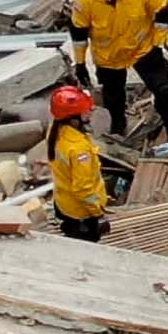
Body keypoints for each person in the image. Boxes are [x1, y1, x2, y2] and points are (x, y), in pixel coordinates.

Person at [69, 0, 168, 143]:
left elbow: (163, 11)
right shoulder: (86, 1)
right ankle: (118, 126)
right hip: (109, 57)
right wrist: (79, 64)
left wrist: (158, 45)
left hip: (143, 49)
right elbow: (79, 34)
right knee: (113, 98)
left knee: (165, 90)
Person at [43, 83, 112, 242]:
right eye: (86, 110)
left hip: (64, 203)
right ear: (73, 118)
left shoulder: (56, 132)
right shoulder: (79, 150)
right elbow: (83, 189)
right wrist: (98, 214)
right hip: (82, 213)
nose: (91, 111)